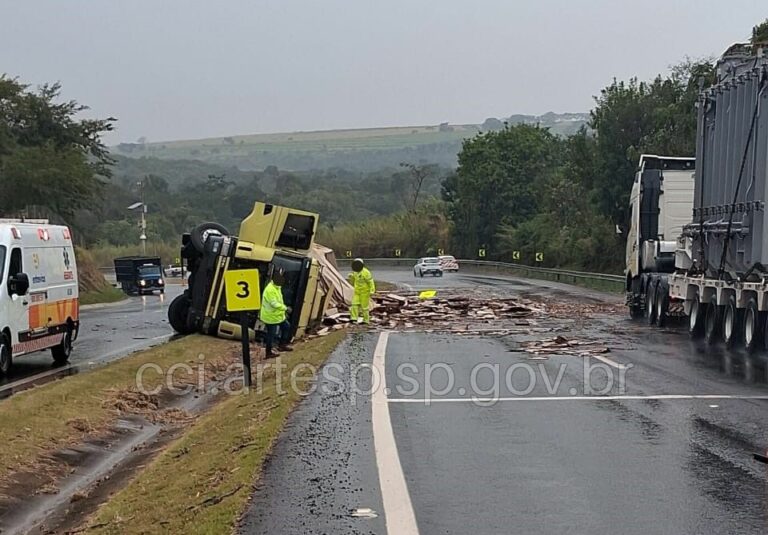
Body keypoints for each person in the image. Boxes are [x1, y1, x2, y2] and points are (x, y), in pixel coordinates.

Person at [260, 270, 293, 358]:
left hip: (277, 315)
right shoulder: (270, 290)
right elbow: (274, 304)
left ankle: (282, 345)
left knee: (286, 327)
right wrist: (286, 308)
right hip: (270, 317)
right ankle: (268, 352)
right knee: (271, 335)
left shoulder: (276, 287)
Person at [348, 258, 375, 324]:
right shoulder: (355, 272)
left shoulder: (366, 272)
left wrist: (372, 290)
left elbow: (370, 281)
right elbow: (354, 278)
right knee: (354, 304)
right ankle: (354, 318)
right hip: (357, 292)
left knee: (364, 307)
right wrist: (351, 276)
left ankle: (366, 320)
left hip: (365, 292)